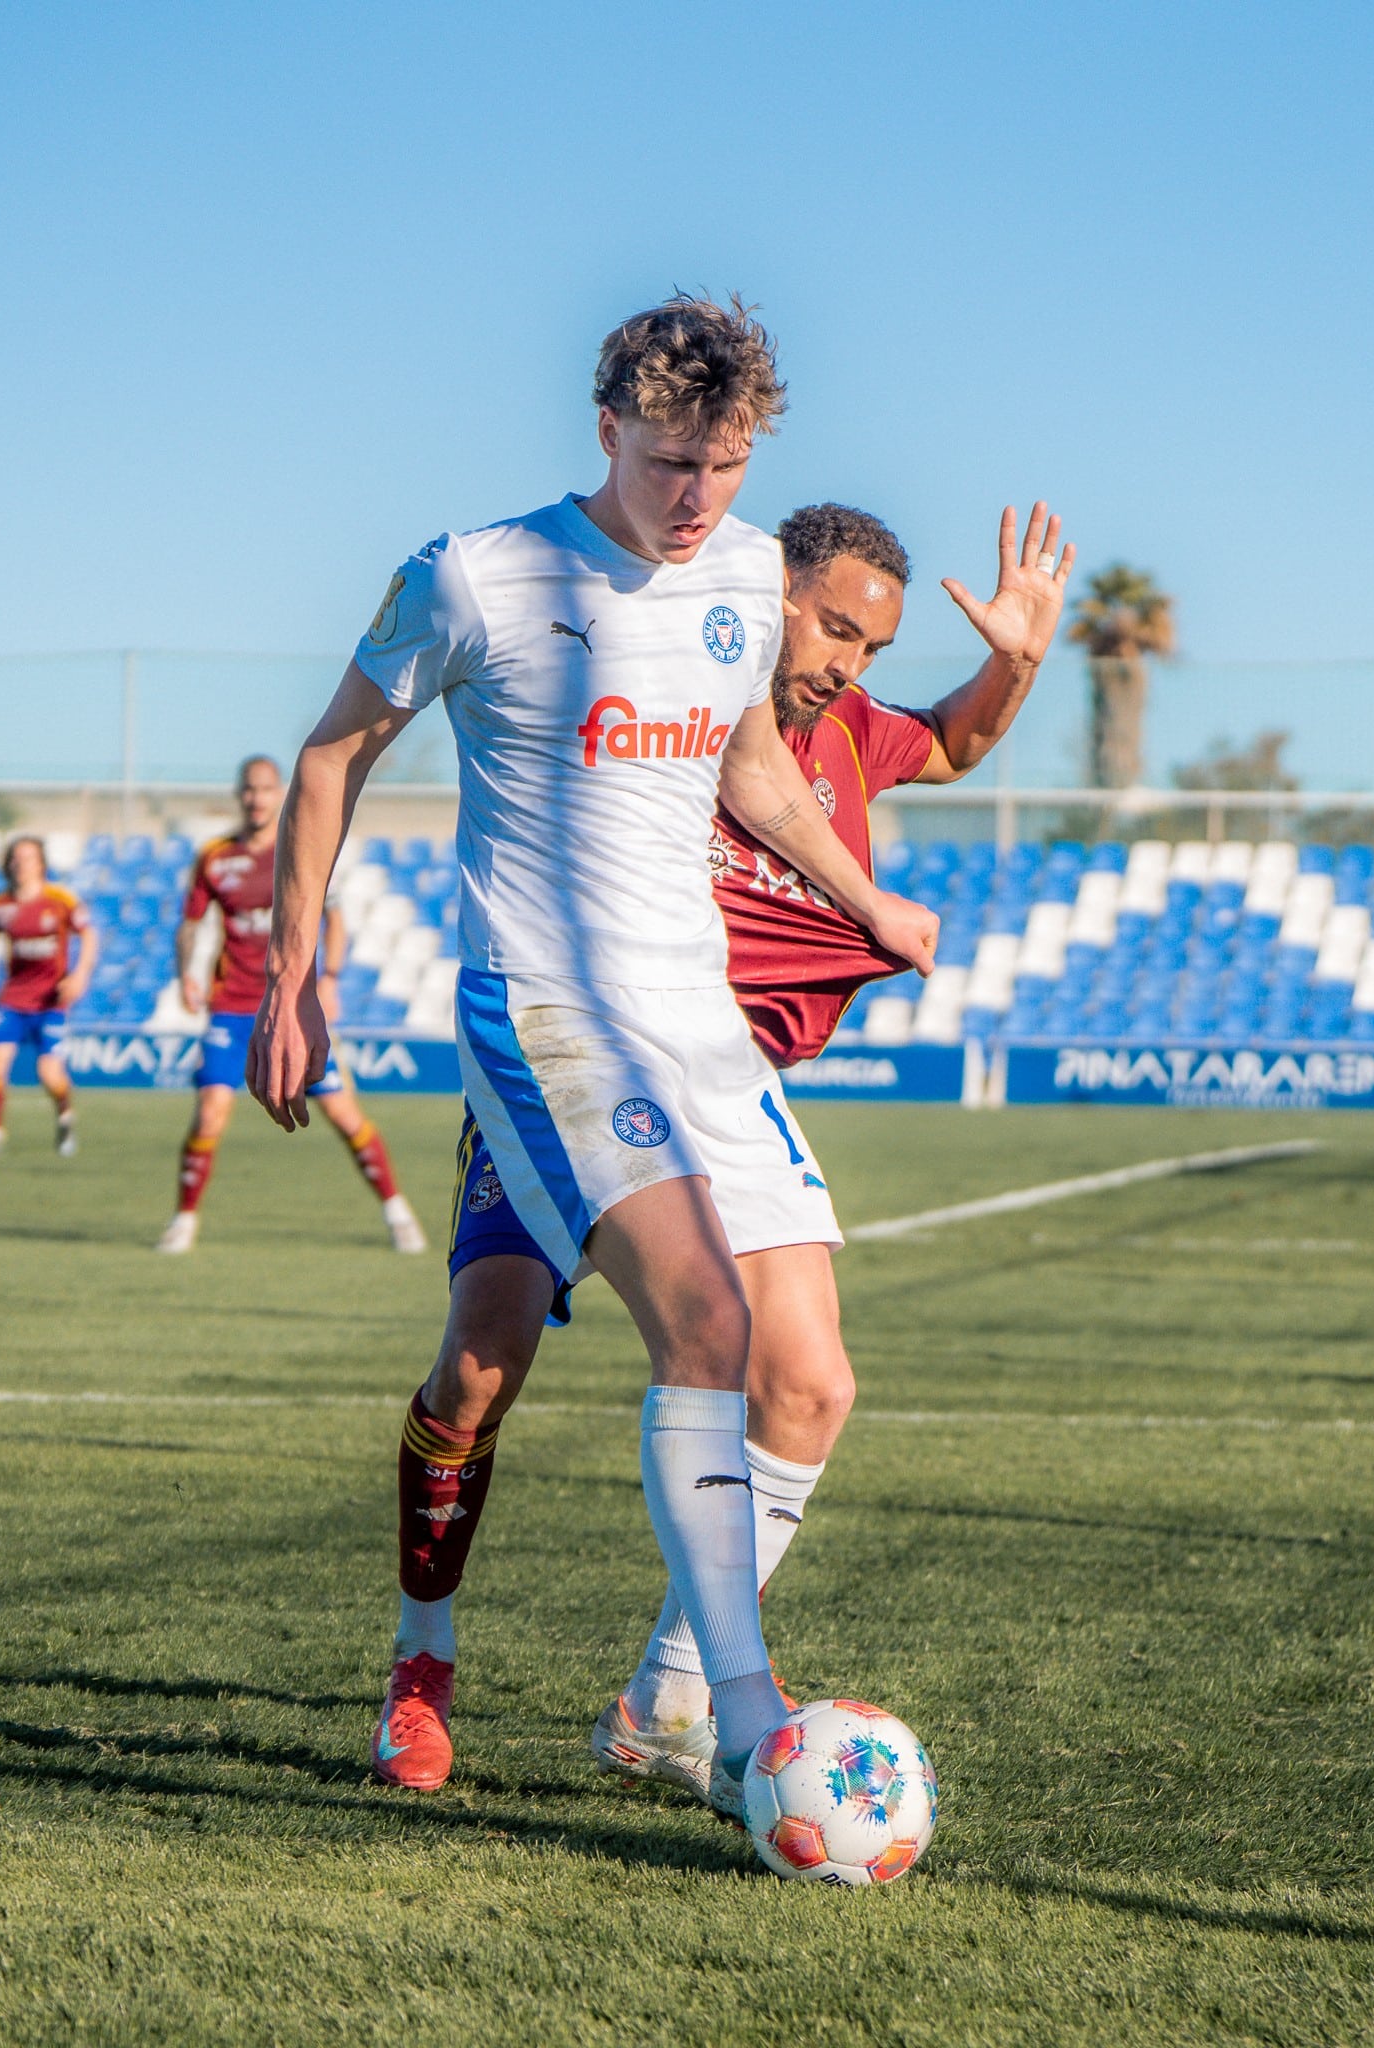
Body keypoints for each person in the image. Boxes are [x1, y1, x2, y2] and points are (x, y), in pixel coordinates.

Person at [245, 295, 937, 1818]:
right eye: (674, 459)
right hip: (544, 1007)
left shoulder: (752, 570)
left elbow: (748, 762)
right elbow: (331, 753)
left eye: (729, 463)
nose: (698, 498)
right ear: (610, 427)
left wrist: (861, 892)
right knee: (686, 1332)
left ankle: (665, 1704)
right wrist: (294, 976)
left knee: (808, 1381)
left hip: (693, 1014)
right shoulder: (477, 576)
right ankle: (655, 1699)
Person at [367, 497, 1073, 1798]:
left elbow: (960, 741)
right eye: (838, 631)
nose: (852, 664)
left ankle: (674, 1696)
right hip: (577, 1062)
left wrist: (1020, 653)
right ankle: (422, 1661)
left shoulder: (848, 737)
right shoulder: (669, 687)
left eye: (873, 645)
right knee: (477, 1369)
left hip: (721, 1080)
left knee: (808, 1385)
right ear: (767, 592)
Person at [156, 755, 425, 1254]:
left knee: (344, 1115)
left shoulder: (299, 845)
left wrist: (331, 981)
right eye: (248, 790)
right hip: (232, 1007)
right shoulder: (215, 856)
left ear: (278, 792)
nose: (255, 798)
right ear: (239, 795)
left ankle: (398, 1212)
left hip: (296, 1008)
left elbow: (336, 918)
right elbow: (190, 923)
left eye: (264, 789)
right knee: (209, 1115)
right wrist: (185, 978)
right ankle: (183, 1220)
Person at [0, 835, 97, 1155]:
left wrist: (80, 975)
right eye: (15, 857)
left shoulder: (61, 899)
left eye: (27, 858)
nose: (20, 864)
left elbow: (89, 935)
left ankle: (65, 1115)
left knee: (48, 1073)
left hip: (50, 1000)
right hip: (12, 998)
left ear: (41, 863)